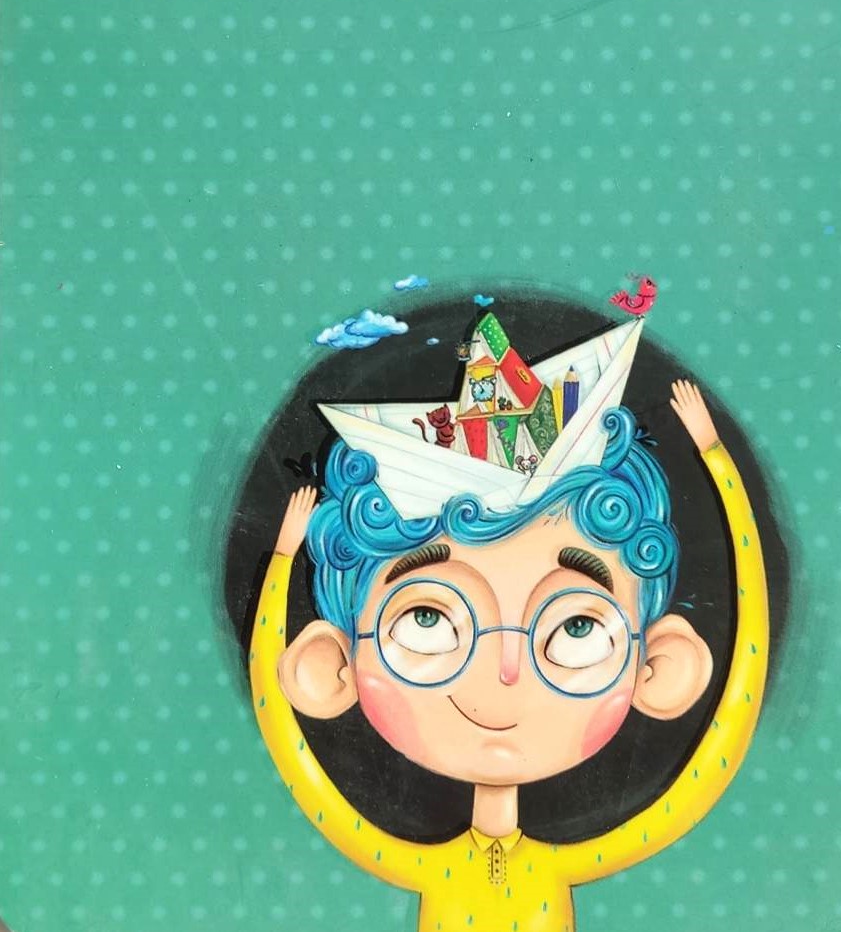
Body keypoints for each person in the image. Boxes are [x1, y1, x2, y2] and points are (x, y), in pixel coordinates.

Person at [250, 379, 768, 932]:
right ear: (327, 668)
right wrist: (279, 564)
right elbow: (292, 750)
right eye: (427, 620)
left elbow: (725, 731)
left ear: (661, 667)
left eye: (575, 628)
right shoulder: (426, 864)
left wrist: (718, 462)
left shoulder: (511, 863)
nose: (505, 674)